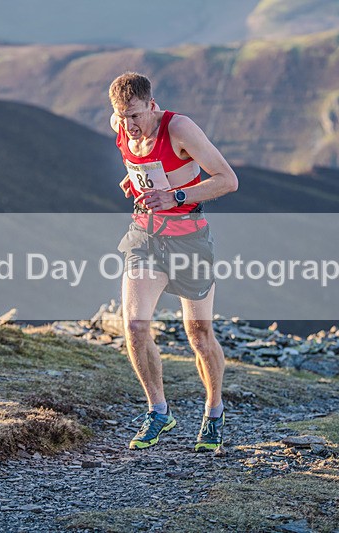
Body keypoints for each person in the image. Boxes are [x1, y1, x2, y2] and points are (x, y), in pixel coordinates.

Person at [108, 72, 238, 451]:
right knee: (134, 324)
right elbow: (139, 165)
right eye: (121, 116)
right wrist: (131, 180)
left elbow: (228, 180)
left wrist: (176, 196)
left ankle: (214, 411)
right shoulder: (119, 122)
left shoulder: (179, 128)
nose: (129, 125)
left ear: (152, 105)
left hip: (189, 239)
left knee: (198, 335)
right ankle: (158, 411)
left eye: (135, 115)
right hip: (144, 236)